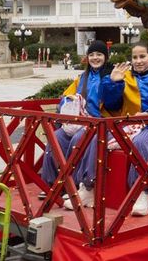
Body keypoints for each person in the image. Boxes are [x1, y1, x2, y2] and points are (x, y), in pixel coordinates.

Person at [65, 42, 148, 216]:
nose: (138, 61)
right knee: (96, 134)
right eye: (135, 57)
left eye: (142, 56)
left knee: (142, 142)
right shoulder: (125, 76)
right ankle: (88, 187)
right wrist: (114, 84)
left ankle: (142, 193)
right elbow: (112, 104)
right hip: (126, 124)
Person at [40, 40, 110, 199]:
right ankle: (52, 183)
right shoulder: (82, 77)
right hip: (80, 121)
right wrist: (69, 100)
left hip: (101, 123)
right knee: (56, 138)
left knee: (79, 140)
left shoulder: (110, 75)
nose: (95, 57)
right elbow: (65, 96)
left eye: (99, 54)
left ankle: (75, 184)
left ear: (106, 57)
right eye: (91, 54)